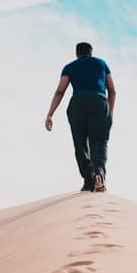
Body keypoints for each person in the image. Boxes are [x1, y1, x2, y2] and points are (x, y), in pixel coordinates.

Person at [45, 42, 116, 192]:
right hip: (99, 101)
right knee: (99, 141)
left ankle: (89, 180)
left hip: (78, 103)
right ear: (91, 53)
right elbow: (112, 90)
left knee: (80, 143)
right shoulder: (102, 64)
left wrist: (50, 114)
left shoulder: (70, 67)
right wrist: (109, 112)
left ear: (77, 54)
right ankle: (99, 172)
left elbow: (60, 91)